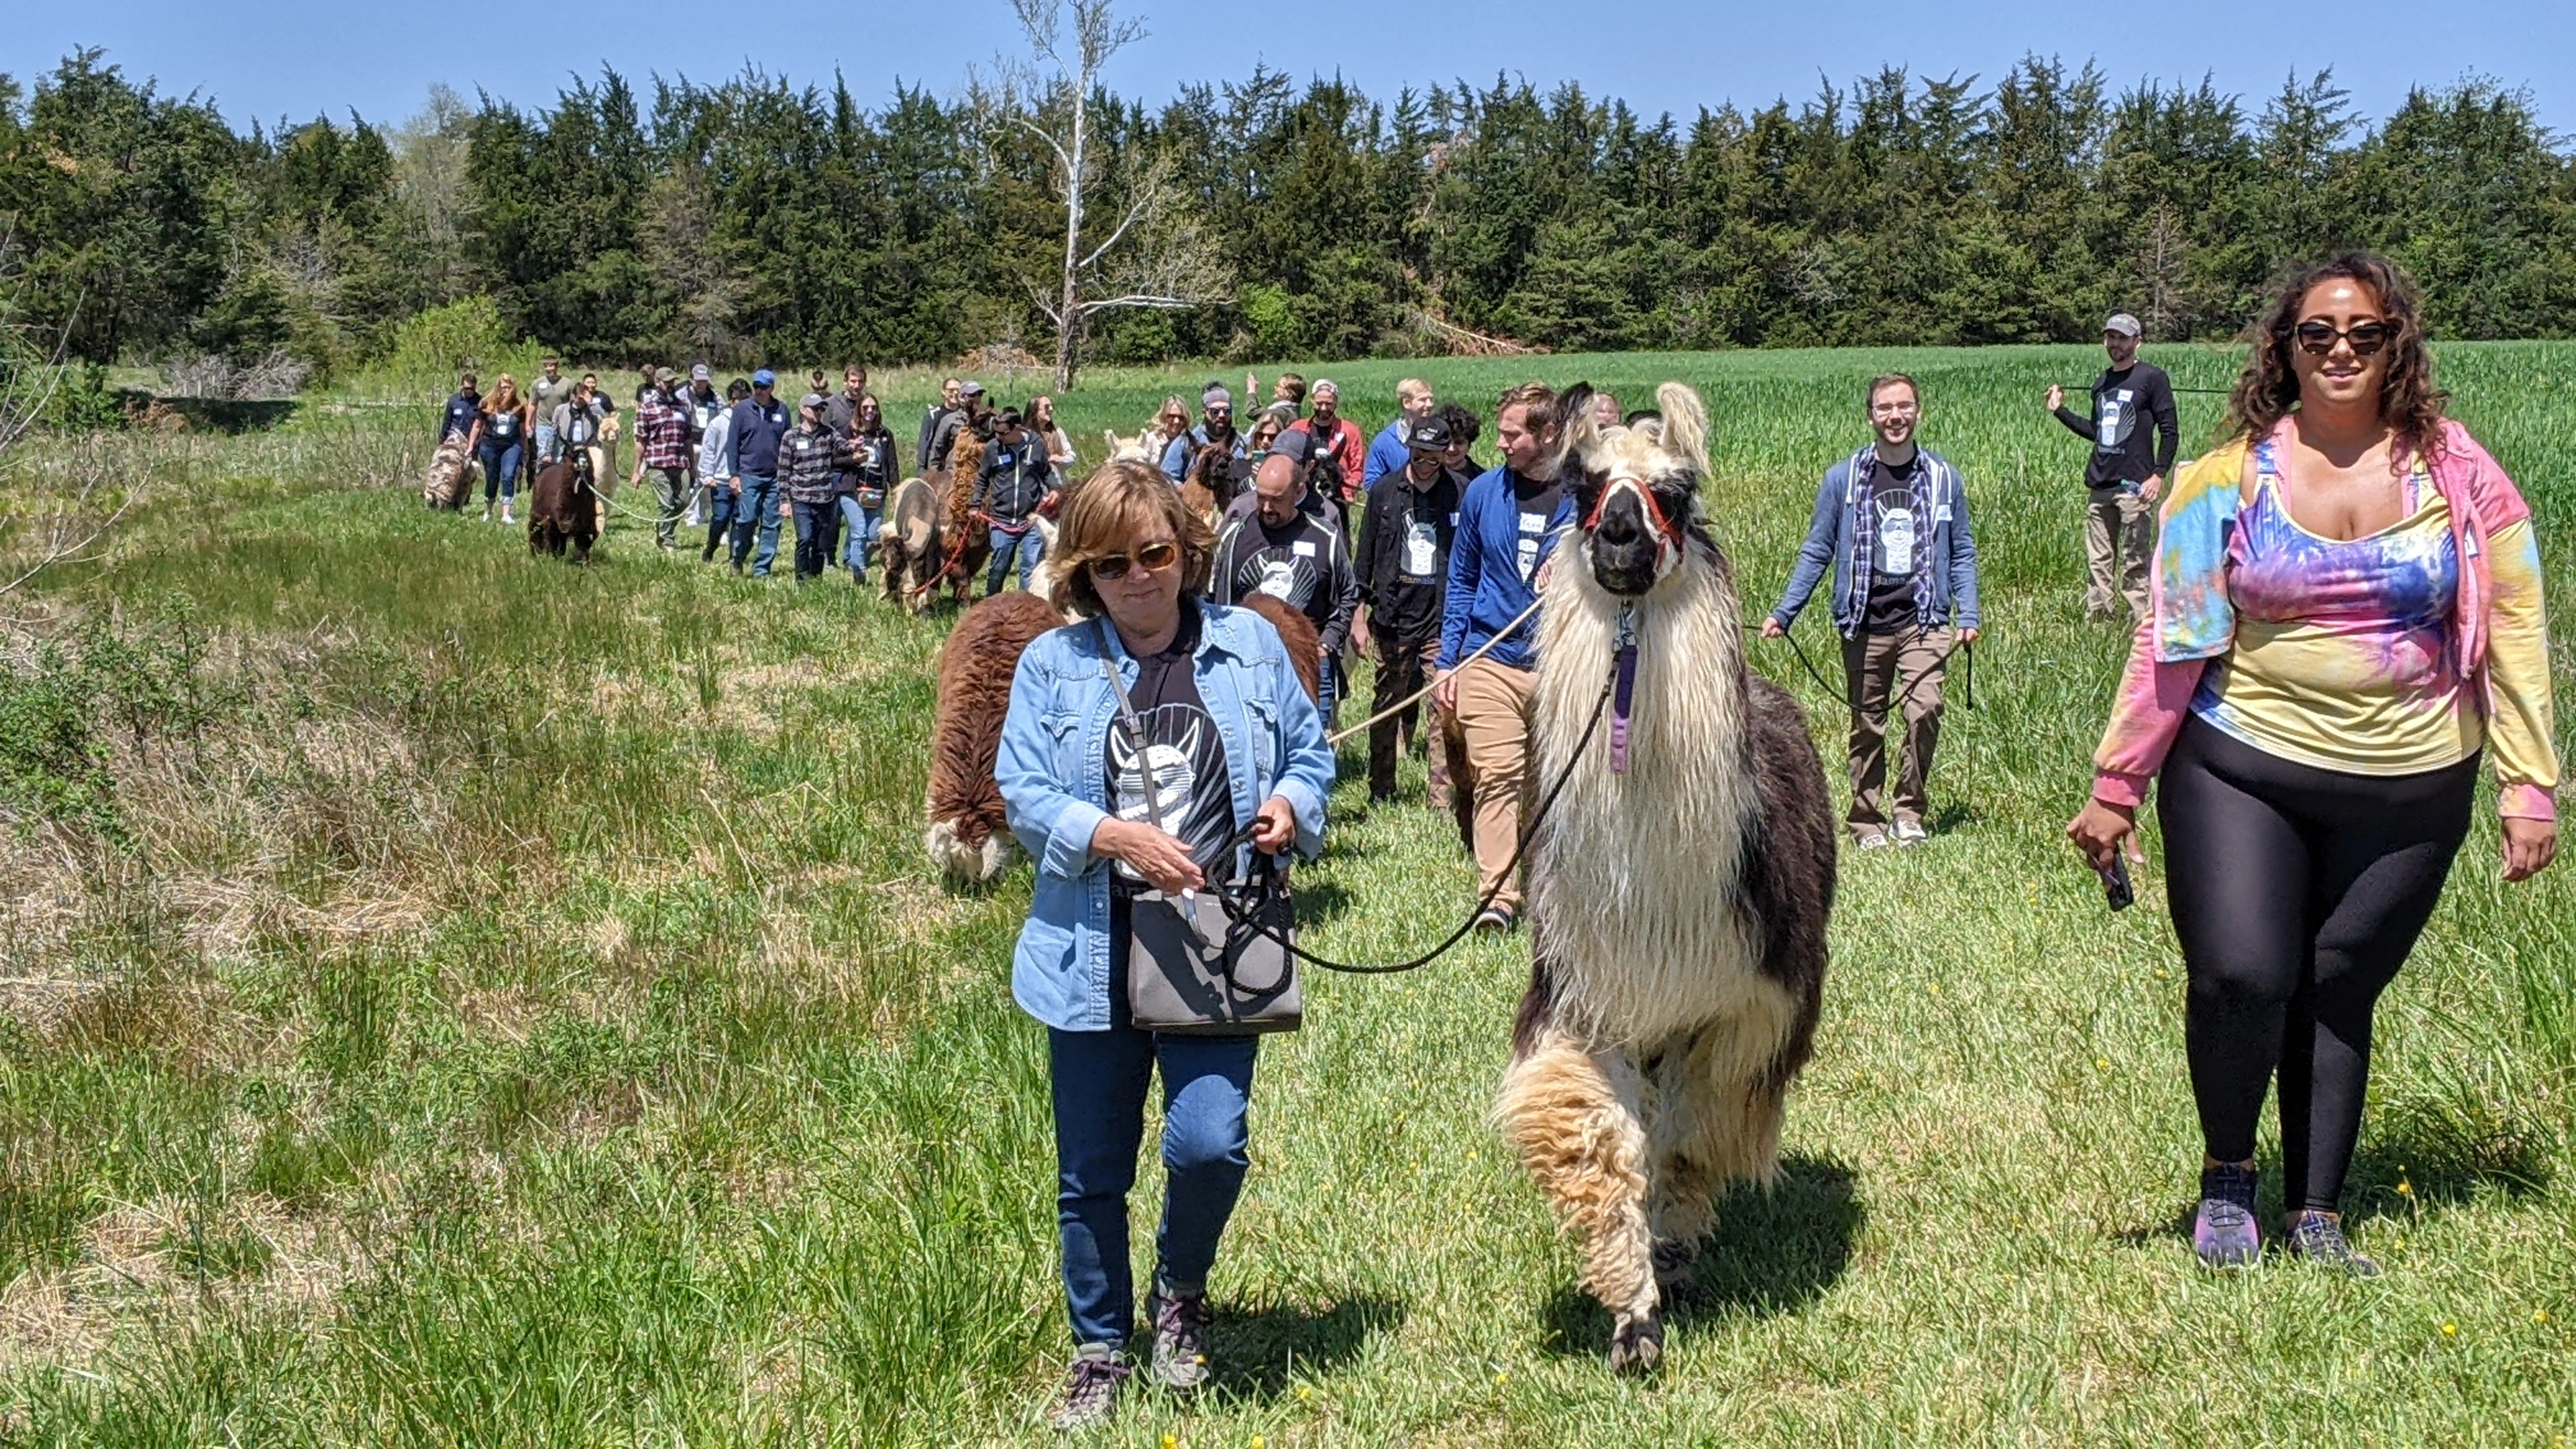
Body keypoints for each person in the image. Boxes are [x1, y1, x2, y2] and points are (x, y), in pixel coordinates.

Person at [2067, 253, 2558, 1275]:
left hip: (2416, 785)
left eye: (2366, 333)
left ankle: (2318, 1212)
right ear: (2284, 349)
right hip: (2243, 763)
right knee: (2245, 974)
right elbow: (2171, 639)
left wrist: (2530, 782)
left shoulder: (2461, 475)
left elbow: (2515, 625)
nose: (2342, 349)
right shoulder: (2228, 477)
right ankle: (2230, 1179)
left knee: (2337, 987)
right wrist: (2120, 784)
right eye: (2319, 333)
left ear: (2397, 346)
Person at [996, 458, 1332, 1431]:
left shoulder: (1251, 650)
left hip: (1214, 940)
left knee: (1210, 1144)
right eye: (1109, 566)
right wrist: (1110, 835)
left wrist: (1288, 804)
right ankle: (1099, 1349)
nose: (1136, 579)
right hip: (1089, 950)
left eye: (1151, 555)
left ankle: (1179, 1295)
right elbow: (1022, 790)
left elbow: (1312, 753)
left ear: (1184, 552)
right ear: (1080, 576)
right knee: (1092, 1174)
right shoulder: (1051, 667)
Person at [1764, 374, 1983, 849]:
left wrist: (1968, 615)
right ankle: (1866, 818)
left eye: (1904, 406)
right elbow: (1817, 549)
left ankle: (1909, 811)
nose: (1895, 416)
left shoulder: (1944, 478)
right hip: (1863, 620)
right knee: (1867, 723)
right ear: (1870, 416)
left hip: (1925, 619)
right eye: (1885, 408)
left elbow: (1962, 550)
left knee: (1924, 710)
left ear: (1919, 412)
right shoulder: (1843, 479)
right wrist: (1785, 612)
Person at [1433, 383, 1570, 932]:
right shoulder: (1484, 493)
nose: (1501, 442)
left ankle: (1556, 888)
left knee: (1555, 784)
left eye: (1513, 434)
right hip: (1490, 656)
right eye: (1502, 432)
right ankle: (1498, 896)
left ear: (1549, 434)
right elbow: (1462, 579)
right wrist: (1449, 660)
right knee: (1497, 777)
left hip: (1563, 667)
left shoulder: (1589, 498)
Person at [1211, 435, 1359, 727]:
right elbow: (1218, 602)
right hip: (1249, 666)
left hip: (1311, 663)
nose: (1266, 508)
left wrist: (1327, 643)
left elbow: (1347, 595)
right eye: (1261, 497)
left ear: (1299, 490)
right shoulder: (1234, 538)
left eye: (1276, 500)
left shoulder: (1324, 536)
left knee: (1315, 754)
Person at [1356, 411, 1463, 806]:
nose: (1425, 463)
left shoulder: (1460, 493)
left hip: (1441, 619)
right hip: (1391, 619)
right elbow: (1363, 558)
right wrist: (1358, 619)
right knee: (1387, 706)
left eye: (1433, 456)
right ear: (1409, 450)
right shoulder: (1384, 491)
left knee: (1443, 710)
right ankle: (1381, 788)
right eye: (1419, 455)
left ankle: (1441, 796)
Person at [2049, 313, 2179, 622]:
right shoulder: (2102, 382)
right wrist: (2060, 412)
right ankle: (2099, 618)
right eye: (2111, 337)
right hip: (2100, 484)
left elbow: (2170, 431)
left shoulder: (2152, 378)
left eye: (2122, 338)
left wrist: (2158, 474)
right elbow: (2098, 432)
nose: (2115, 344)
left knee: (2136, 559)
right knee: (2098, 560)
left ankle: (2140, 620)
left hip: (2135, 485)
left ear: (2137, 342)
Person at [976, 409, 1061, 594]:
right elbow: (982, 478)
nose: (998, 437)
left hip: (1030, 518)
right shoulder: (992, 448)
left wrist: (1055, 489)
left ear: (1017, 429)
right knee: (999, 566)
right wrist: (975, 505)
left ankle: (1025, 604)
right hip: (1001, 519)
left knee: (1030, 567)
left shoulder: (1036, 445)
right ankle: (993, 602)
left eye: (1003, 433)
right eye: (995, 432)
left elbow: (1046, 472)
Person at [725, 370, 793, 577]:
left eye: (764, 387)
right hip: (748, 473)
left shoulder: (782, 410)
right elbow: (732, 444)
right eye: (757, 387)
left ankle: (762, 569)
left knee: (772, 524)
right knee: (746, 519)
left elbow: (788, 443)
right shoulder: (742, 410)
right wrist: (734, 474)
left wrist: (787, 476)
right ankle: (738, 556)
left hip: (775, 476)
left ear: (772, 388)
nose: (760, 391)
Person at [782, 392, 853, 584]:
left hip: (825, 498)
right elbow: (783, 470)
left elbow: (843, 445)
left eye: (821, 409)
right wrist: (784, 501)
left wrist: (854, 445)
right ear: (803, 410)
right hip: (801, 497)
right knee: (805, 538)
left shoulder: (828, 433)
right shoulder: (790, 437)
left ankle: (816, 577)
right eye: (814, 409)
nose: (818, 412)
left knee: (821, 543)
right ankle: (802, 579)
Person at [1285, 379, 1368, 535]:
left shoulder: (1350, 431)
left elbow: (1357, 467)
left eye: (1329, 404)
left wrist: (1349, 491)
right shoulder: (1297, 429)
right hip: (1302, 495)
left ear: (1336, 402)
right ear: (1312, 401)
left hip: (1337, 498)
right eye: (1319, 403)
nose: (1323, 408)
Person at [631, 371, 695, 551]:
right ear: (657, 382)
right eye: (666, 382)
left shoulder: (683, 407)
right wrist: (637, 470)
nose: (670, 384)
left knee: (682, 502)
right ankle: (667, 541)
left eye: (672, 381)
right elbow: (641, 441)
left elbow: (688, 438)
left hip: (680, 461)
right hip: (657, 463)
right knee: (666, 502)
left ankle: (662, 527)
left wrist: (693, 467)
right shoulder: (647, 409)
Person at [839, 394, 897, 585]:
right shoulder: (848, 432)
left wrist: (895, 488)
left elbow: (892, 464)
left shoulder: (885, 435)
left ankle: (852, 558)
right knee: (859, 529)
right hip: (852, 489)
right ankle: (859, 570)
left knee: (873, 535)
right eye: (865, 408)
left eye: (873, 407)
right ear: (859, 410)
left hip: (877, 491)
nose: (870, 411)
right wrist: (853, 460)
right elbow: (834, 459)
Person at [696, 378, 751, 563]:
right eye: (738, 399)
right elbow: (708, 450)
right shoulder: (718, 423)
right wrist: (706, 475)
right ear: (731, 401)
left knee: (739, 518)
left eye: (746, 399)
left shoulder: (750, 422)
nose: (742, 403)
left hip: (743, 477)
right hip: (720, 479)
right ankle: (710, 548)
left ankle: (734, 557)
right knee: (721, 517)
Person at [471, 374, 533, 527]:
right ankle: (489, 511)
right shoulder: (486, 405)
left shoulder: (520, 408)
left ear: (513, 389)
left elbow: (523, 431)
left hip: (512, 445)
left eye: (508, 387)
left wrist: (525, 450)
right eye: (502, 387)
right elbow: (477, 426)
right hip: (489, 445)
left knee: (509, 475)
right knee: (492, 478)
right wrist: (470, 446)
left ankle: (506, 513)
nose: (505, 391)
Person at [1360, 378, 1438, 492]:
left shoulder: (1441, 435)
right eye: (1423, 400)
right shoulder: (1384, 442)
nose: (1430, 404)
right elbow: (1371, 483)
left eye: (1431, 399)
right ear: (1406, 403)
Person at [1160, 384, 1244, 484]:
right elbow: (1166, 479)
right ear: (1204, 412)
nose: (1222, 415)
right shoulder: (1184, 444)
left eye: (1227, 411)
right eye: (1215, 412)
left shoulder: (1243, 444)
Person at [682, 363, 724, 527]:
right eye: (698, 380)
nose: (701, 384)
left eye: (704, 381)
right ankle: (691, 515)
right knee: (692, 479)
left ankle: (705, 512)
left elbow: (723, 412)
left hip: (710, 444)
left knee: (707, 479)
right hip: (691, 443)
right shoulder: (684, 396)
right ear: (692, 380)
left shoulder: (715, 396)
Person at [531, 358, 576, 466]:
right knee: (543, 456)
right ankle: (540, 479)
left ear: (557, 366)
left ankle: (557, 480)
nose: (548, 369)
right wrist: (529, 424)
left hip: (562, 426)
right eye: (546, 366)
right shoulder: (537, 383)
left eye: (551, 366)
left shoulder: (568, 383)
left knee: (559, 457)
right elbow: (532, 404)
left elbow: (573, 405)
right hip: (544, 424)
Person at [919, 377, 963, 477]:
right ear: (943, 392)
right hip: (936, 466)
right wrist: (921, 469)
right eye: (951, 390)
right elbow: (924, 442)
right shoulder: (933, 415)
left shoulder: (965, 414)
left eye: (958, 390)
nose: (955, 393)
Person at [1028, 394, 1078, 474]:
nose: (1051, 409)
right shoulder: (1026, 434)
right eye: (1046, 407)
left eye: (1052, 406)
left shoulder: (1058, 432)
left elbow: (1072, 457)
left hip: (1056, 480)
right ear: (1035, 410)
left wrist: (1060, 459)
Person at [439, 371, 482, 446]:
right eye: (467, 388)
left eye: (472, 389)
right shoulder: (454, 400)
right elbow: (447, 422)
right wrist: (442, 440)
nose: (470, 391)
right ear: (462, 386)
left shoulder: (480, 402)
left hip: (471, 441)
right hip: (454, 439)